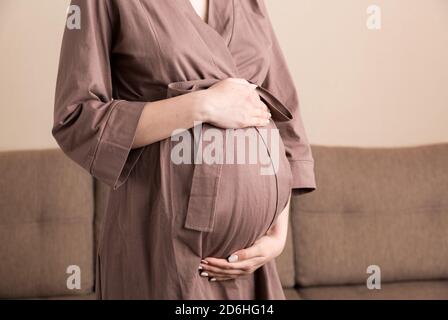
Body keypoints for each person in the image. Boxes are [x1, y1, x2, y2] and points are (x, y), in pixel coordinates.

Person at [53, 0, 316, 299]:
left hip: (250, 263)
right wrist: (201, 105)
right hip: (160, 246)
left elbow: (283, 114)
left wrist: (276, 235)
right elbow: (77, 118)